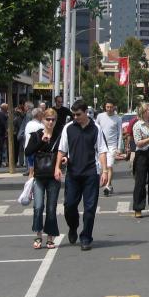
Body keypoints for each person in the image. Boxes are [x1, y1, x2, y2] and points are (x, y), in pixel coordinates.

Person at [55, 100, 108, 251]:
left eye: (78, 114)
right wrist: (57, 167)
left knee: (90, 209)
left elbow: (102, 150)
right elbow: (61, 149)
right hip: (73, 173)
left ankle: (86, 237)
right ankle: (73, 226)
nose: (75, 117)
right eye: (73, 115)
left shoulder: (95, 128)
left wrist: (104, 171)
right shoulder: (68, 128)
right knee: (69, 205)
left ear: (86, 112)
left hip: (91, 173)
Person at [27, 108, 62, 249]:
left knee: (51, 208)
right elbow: (28, 151)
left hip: (53, 176)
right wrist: (41, 142)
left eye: (53, 119)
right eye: (48, 119)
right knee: (38, 206)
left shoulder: (59, 136)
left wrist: (64, 159)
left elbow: (64, 151)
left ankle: (50, 237)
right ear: (43, 120)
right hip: (39, 175)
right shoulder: (36, 135)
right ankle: (38, 235)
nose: (50, 122)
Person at [95, 101, 123, 196]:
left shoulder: (118, 119)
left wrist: (119, 148)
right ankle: (109, 184)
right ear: (105, 107)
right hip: (101, 145)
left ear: (114, 107)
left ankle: (107, 186)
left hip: (112, 146)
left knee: (109, 165)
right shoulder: (100, 116)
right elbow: (95, 129)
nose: (109, 109)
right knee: (102, 166)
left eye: (111, 107)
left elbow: (120, 134)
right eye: (107, 107)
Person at [23, 108, 44, 177]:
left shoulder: (28, 124)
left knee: (31, 170)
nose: (43, 116)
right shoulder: (40, 126)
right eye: (42, 114)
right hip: (36, 151)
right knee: (36, 171)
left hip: (29, 149)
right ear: (38, 115)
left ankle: (30, 184)